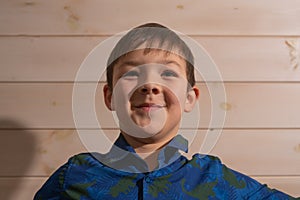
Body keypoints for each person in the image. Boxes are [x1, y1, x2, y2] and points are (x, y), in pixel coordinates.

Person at [34, 23, 298, 199]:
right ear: (110, 96)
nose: (149, 85)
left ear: (189, 98)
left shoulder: (215, 180)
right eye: (131, 73)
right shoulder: (73, 177)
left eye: (168, 73)